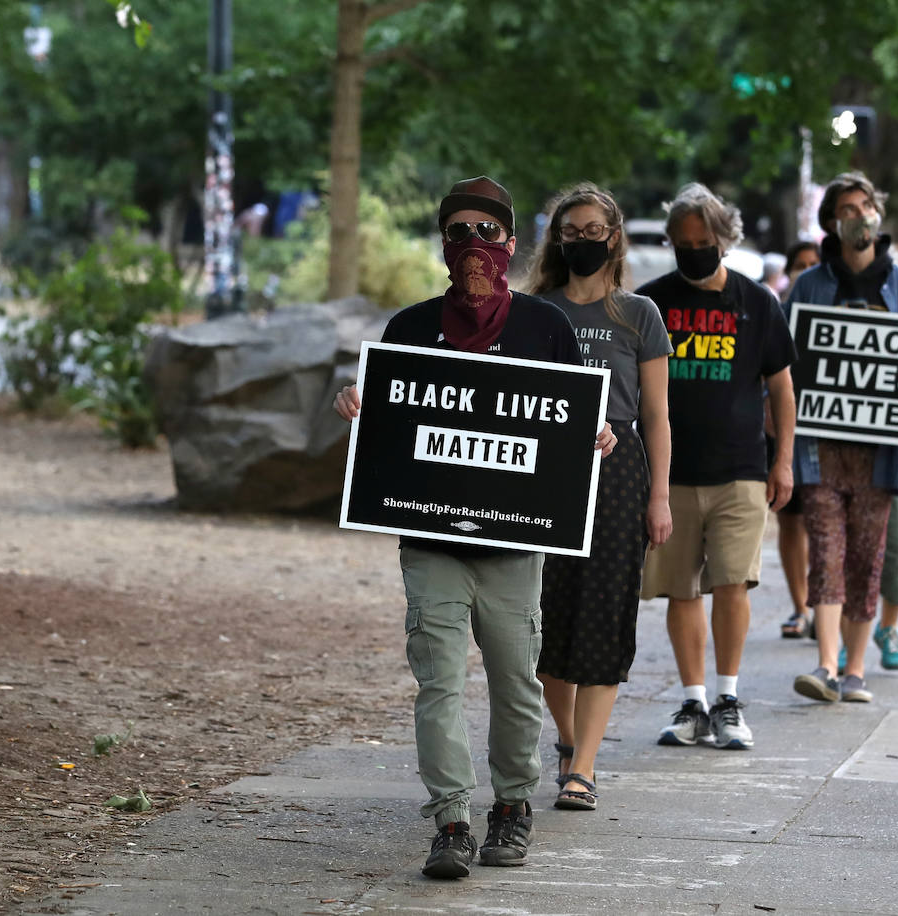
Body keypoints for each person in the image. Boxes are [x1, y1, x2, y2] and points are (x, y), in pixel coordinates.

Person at [333, 177, 617, 879]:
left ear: (511, 244)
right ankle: (452, 821)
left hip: (514, 544)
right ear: (441, 245)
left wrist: (596, 433)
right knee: (438, 682)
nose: (472, 245)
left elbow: (572, 420)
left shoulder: (545, 328)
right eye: (457, 232)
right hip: (432, 542)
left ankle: (513, 807)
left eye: (486, 232)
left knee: (516, 681)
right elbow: (391, 432)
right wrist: (360, 407)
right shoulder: (408, 330)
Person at [521, 183, 673, 811]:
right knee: (543, 618)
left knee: (606, 614)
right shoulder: (534, 311)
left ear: (614, 238)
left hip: (618, 476)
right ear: (556, 240)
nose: (582, 241)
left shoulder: (640, 315)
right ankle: (566, 737)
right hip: (543, 473)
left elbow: (658, 415)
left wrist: (659, 496)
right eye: (570, 232)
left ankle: (583, 766)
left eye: (593, 231)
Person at [785, 172, 898, 704]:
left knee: (868, 558)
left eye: (866, 205)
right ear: (831, 221)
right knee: (826, 554)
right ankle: (826, 664)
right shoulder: (810, 285)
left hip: (881, 456)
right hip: (821, 451)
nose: (860, 215)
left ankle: (855, 668)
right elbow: (787, 359)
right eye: (848, 208)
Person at [638, 183, 797, 750]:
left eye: (702, 243)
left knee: (733, 583)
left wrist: (783, 462)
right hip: (670, 475)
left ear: (724, 240)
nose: (693, 253)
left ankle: (728, 700)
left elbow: (782, 389)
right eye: (682, 244)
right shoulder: (651, 302)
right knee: (681, 589)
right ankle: (693, 702)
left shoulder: (757, 303)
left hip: (740, 470)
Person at [774, 240, 819, 638]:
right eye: (799, 265)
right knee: (791, 522)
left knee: (823, 524)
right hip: (785, 434)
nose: (805, 272)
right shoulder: (776, 314)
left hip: (826, 438)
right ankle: (800, 607)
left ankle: (826, 607)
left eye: (813, 264)